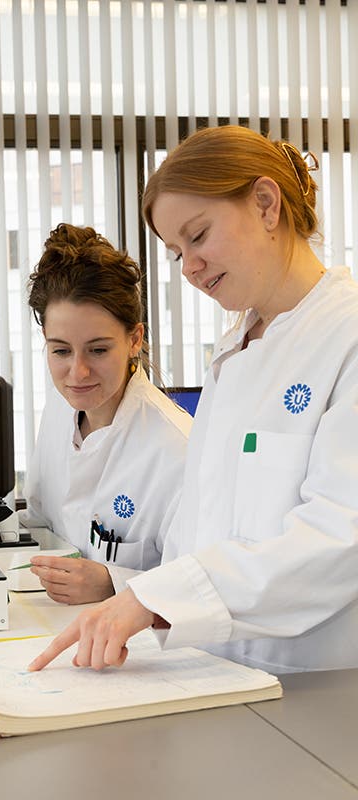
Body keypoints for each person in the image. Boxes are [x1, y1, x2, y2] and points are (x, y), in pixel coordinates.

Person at [29, 125, 358, 675]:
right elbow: (198, 530)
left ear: (265, 203)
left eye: (198, 236)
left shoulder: (344, 336)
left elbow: (339, 538)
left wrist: (156, 599)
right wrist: (138, 603)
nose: (189, 267)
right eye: (176, 251)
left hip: (312, 680)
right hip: (215, 670)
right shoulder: (237, 348)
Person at [21, 223, 192, 605]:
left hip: (139, 649)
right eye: (60, 351)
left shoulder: (176, 449)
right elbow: (41, 520)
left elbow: (196, 583)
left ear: (135, 339)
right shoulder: (57, 408)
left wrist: (114, 582)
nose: (77, 373)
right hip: (52, 620)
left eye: (98, 350)